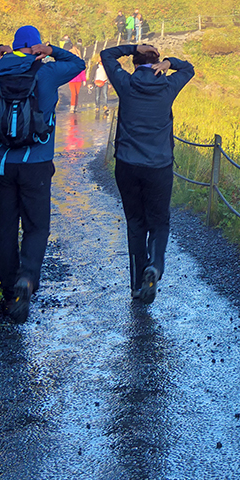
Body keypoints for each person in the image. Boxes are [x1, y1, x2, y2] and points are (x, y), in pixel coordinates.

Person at [0, 27, 85, 324]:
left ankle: (8, 293)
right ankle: (27, 279)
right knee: (36, 226)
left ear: (15, 46)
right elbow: (78, 64)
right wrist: (51, 50)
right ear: (35, 46)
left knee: (7, 227)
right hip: (38, 163)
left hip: (4, 163)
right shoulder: (47, 72)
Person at [100, 43, 195, 303]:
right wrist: (169, 63)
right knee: (159, 222)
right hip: (159, 165)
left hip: (127, 164)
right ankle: (154, 266)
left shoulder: (126, 83)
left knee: (135, 223)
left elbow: (106, 55)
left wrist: (132, 47)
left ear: (134, 62)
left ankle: (136, 286)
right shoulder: (168, 85)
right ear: (157, 62)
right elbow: (189, 68)